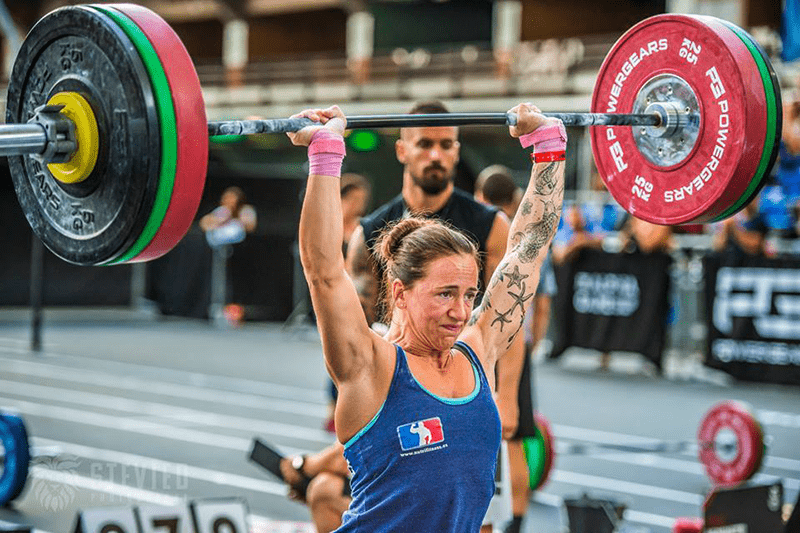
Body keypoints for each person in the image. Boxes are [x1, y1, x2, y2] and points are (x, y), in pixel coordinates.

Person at [288, 102, 564, 532]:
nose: (461, 311)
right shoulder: (369, 366)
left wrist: (547, 149)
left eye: (470, 294)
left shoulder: (476, 353)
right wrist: (325, 154)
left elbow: (529, 248)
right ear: (399, 292)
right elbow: (323, 270)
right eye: (445, 295)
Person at [473, 164, 557, 533]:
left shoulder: (479, 230)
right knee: (517, 435)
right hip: (515, 345)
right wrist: (532, 341)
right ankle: (517, 520)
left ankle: (490, 519)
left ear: (479, 196)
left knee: (490, 437)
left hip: (486, 343)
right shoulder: (531, 237)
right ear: (513, 198)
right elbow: (543, 301)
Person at [324, 174, 373, 433]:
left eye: (362, 200)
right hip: (335, 299)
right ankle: (332, 407)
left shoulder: (362, 229)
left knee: (355, 355)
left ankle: (353, 407)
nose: (358, 205)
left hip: (357, 301)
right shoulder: (330, 225)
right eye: (354, 199)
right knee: (334, 354)